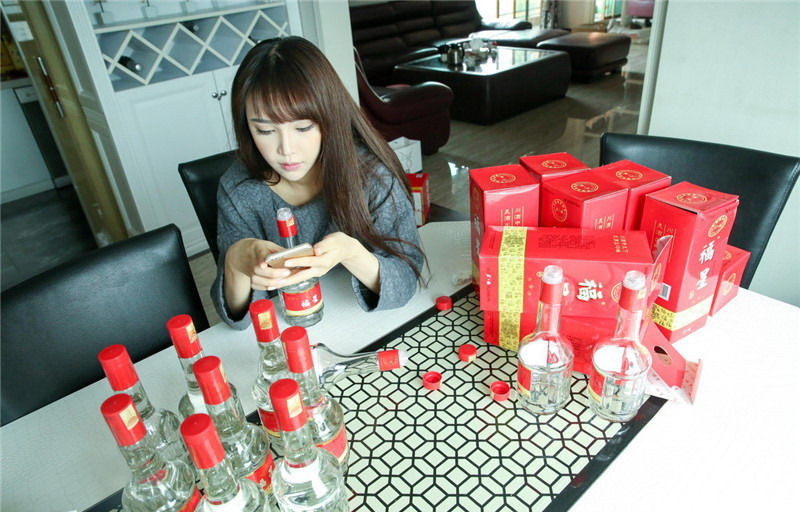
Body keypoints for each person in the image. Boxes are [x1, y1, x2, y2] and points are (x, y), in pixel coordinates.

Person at [211, 37, 424, 328]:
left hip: (364, 327)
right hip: (288, 332)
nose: (286, 150)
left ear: (329, 118)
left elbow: (406, 282)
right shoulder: (238, 189)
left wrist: (351, 253)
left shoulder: (371, 176)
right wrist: (235, 260)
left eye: (302, 127)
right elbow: (237, 321)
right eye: (265, 131)